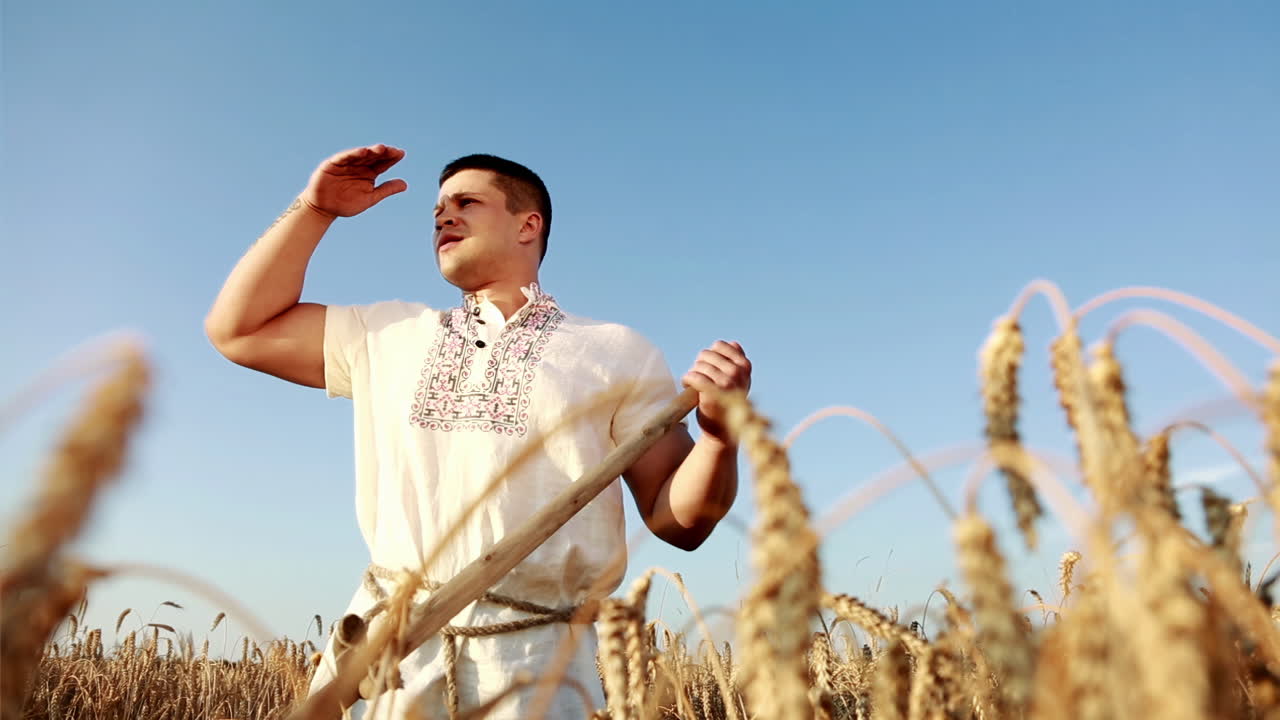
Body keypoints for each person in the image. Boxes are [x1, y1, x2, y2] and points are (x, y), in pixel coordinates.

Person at [204, 144, 750, 718]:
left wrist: (719, 437)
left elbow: (679, 522)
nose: (444, 216)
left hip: (536, 667)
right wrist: (315, 210)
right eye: (438, 209)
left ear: (527, 225)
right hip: (387, 659)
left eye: (467, 203)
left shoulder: (616, 351)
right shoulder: (384, 333)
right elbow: (239, 331)